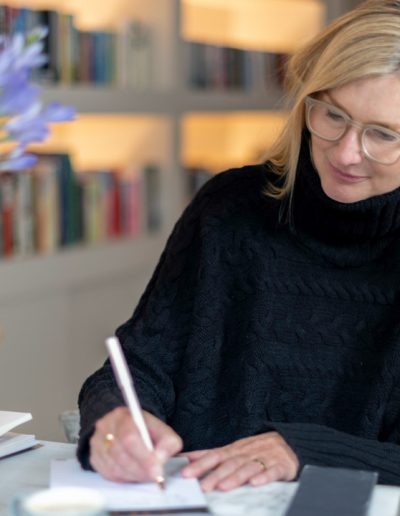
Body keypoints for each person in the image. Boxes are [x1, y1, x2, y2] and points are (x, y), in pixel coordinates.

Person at [77, 0, 400, 491]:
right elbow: (139, 363)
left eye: (382, 134)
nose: (346, 151)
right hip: (196, 498)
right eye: (332, 114)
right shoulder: (230, 208)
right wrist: (117, 417)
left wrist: (305, 450)